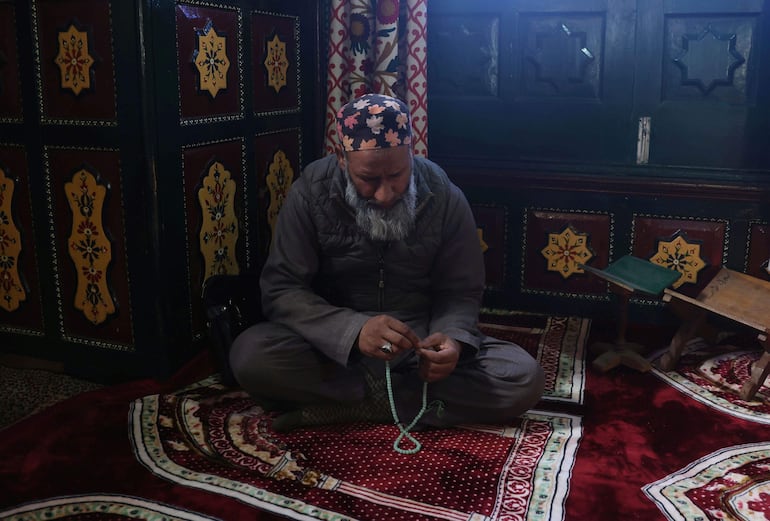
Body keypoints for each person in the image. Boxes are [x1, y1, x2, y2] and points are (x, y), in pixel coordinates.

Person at [229, 93, 544, 432]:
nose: (385, 193)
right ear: (340, 159)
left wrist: (451, 339)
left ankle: (343, 408)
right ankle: (409, 404)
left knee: (522, 378)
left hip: (415, 349)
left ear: (412, 154)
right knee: (251, 356)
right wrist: (352, 330)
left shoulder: (444, 196)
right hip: (336, 351)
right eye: (369, 179)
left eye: (397, 175)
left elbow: (461, 291)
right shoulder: (309, 194)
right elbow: (282, 288)